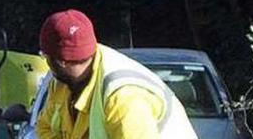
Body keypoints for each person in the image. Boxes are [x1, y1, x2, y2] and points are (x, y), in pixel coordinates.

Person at [35, 10, 197, 139]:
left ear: (61, 61)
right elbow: (44, 127)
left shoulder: (123, 98)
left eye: (45, 56)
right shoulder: (61, 84)